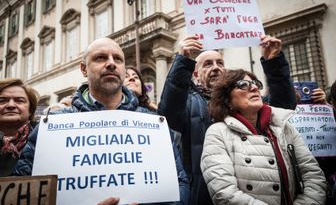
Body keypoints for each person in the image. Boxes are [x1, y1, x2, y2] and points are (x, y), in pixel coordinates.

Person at [14, 38, 189, 205]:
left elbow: (179, 185)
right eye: (101, 58)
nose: (111, 63)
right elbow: (22, 193)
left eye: (118, 59)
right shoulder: (53, 127)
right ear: (84, 69)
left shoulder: (152, 123)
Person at [158, 35, 297, 204]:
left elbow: (282, 104)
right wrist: (183, 62)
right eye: (208, 64)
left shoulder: (243, 100)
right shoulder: (190, 103)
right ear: (196, 73)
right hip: (203, 194)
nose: (216, 68)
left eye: (220, 63)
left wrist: (273, 63)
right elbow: (169, 112)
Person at [201, 69, 326, 205]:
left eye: (255, 83)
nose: (254, 87)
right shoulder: (217, 133)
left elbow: (312, 175)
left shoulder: (284, 126)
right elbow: (224, 193)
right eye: (243, 84)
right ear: (227, 100)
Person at [0, 78, 39, 177]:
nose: (11, 105)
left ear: (30, 109)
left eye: (19, 101)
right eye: (2, 101)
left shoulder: (46, 137)